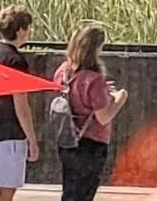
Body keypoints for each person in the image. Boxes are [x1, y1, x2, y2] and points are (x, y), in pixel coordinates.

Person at [53, 22, 126, 201]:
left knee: (70, 192)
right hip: (91, 144)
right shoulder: (94, 80)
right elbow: (103, 117)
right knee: (84, 194)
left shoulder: (62, 72)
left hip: (67, 140)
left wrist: (103, 92)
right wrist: (120, 98)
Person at [0, 6, 40, 201]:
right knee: (8, 188)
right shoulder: (16, 61)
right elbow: (21, 106)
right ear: (20, 30)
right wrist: (32, 139)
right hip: (12, 134)